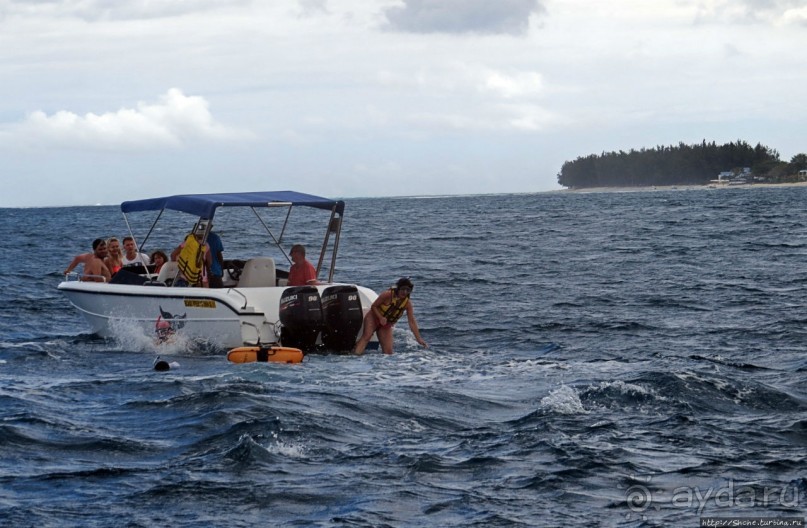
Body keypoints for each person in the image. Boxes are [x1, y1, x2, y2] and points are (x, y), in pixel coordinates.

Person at [353, 277, 428, 355]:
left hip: (386, 324)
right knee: (367, 336)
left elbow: (411, 321)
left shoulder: (407, 303)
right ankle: (356, 356)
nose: (404, 292)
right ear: (398, 289)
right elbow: (374, 306)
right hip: (374, 317)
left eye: (408, 290)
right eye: (403, 289)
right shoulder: (387, 294)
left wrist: (418, 339)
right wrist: (380, 317)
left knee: (388, 353)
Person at [205, 223, 224, 288]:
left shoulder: (194, 239)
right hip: (215, 271)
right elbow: (219, 256)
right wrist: (221, 270)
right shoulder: (215, 238)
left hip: (198, 274)